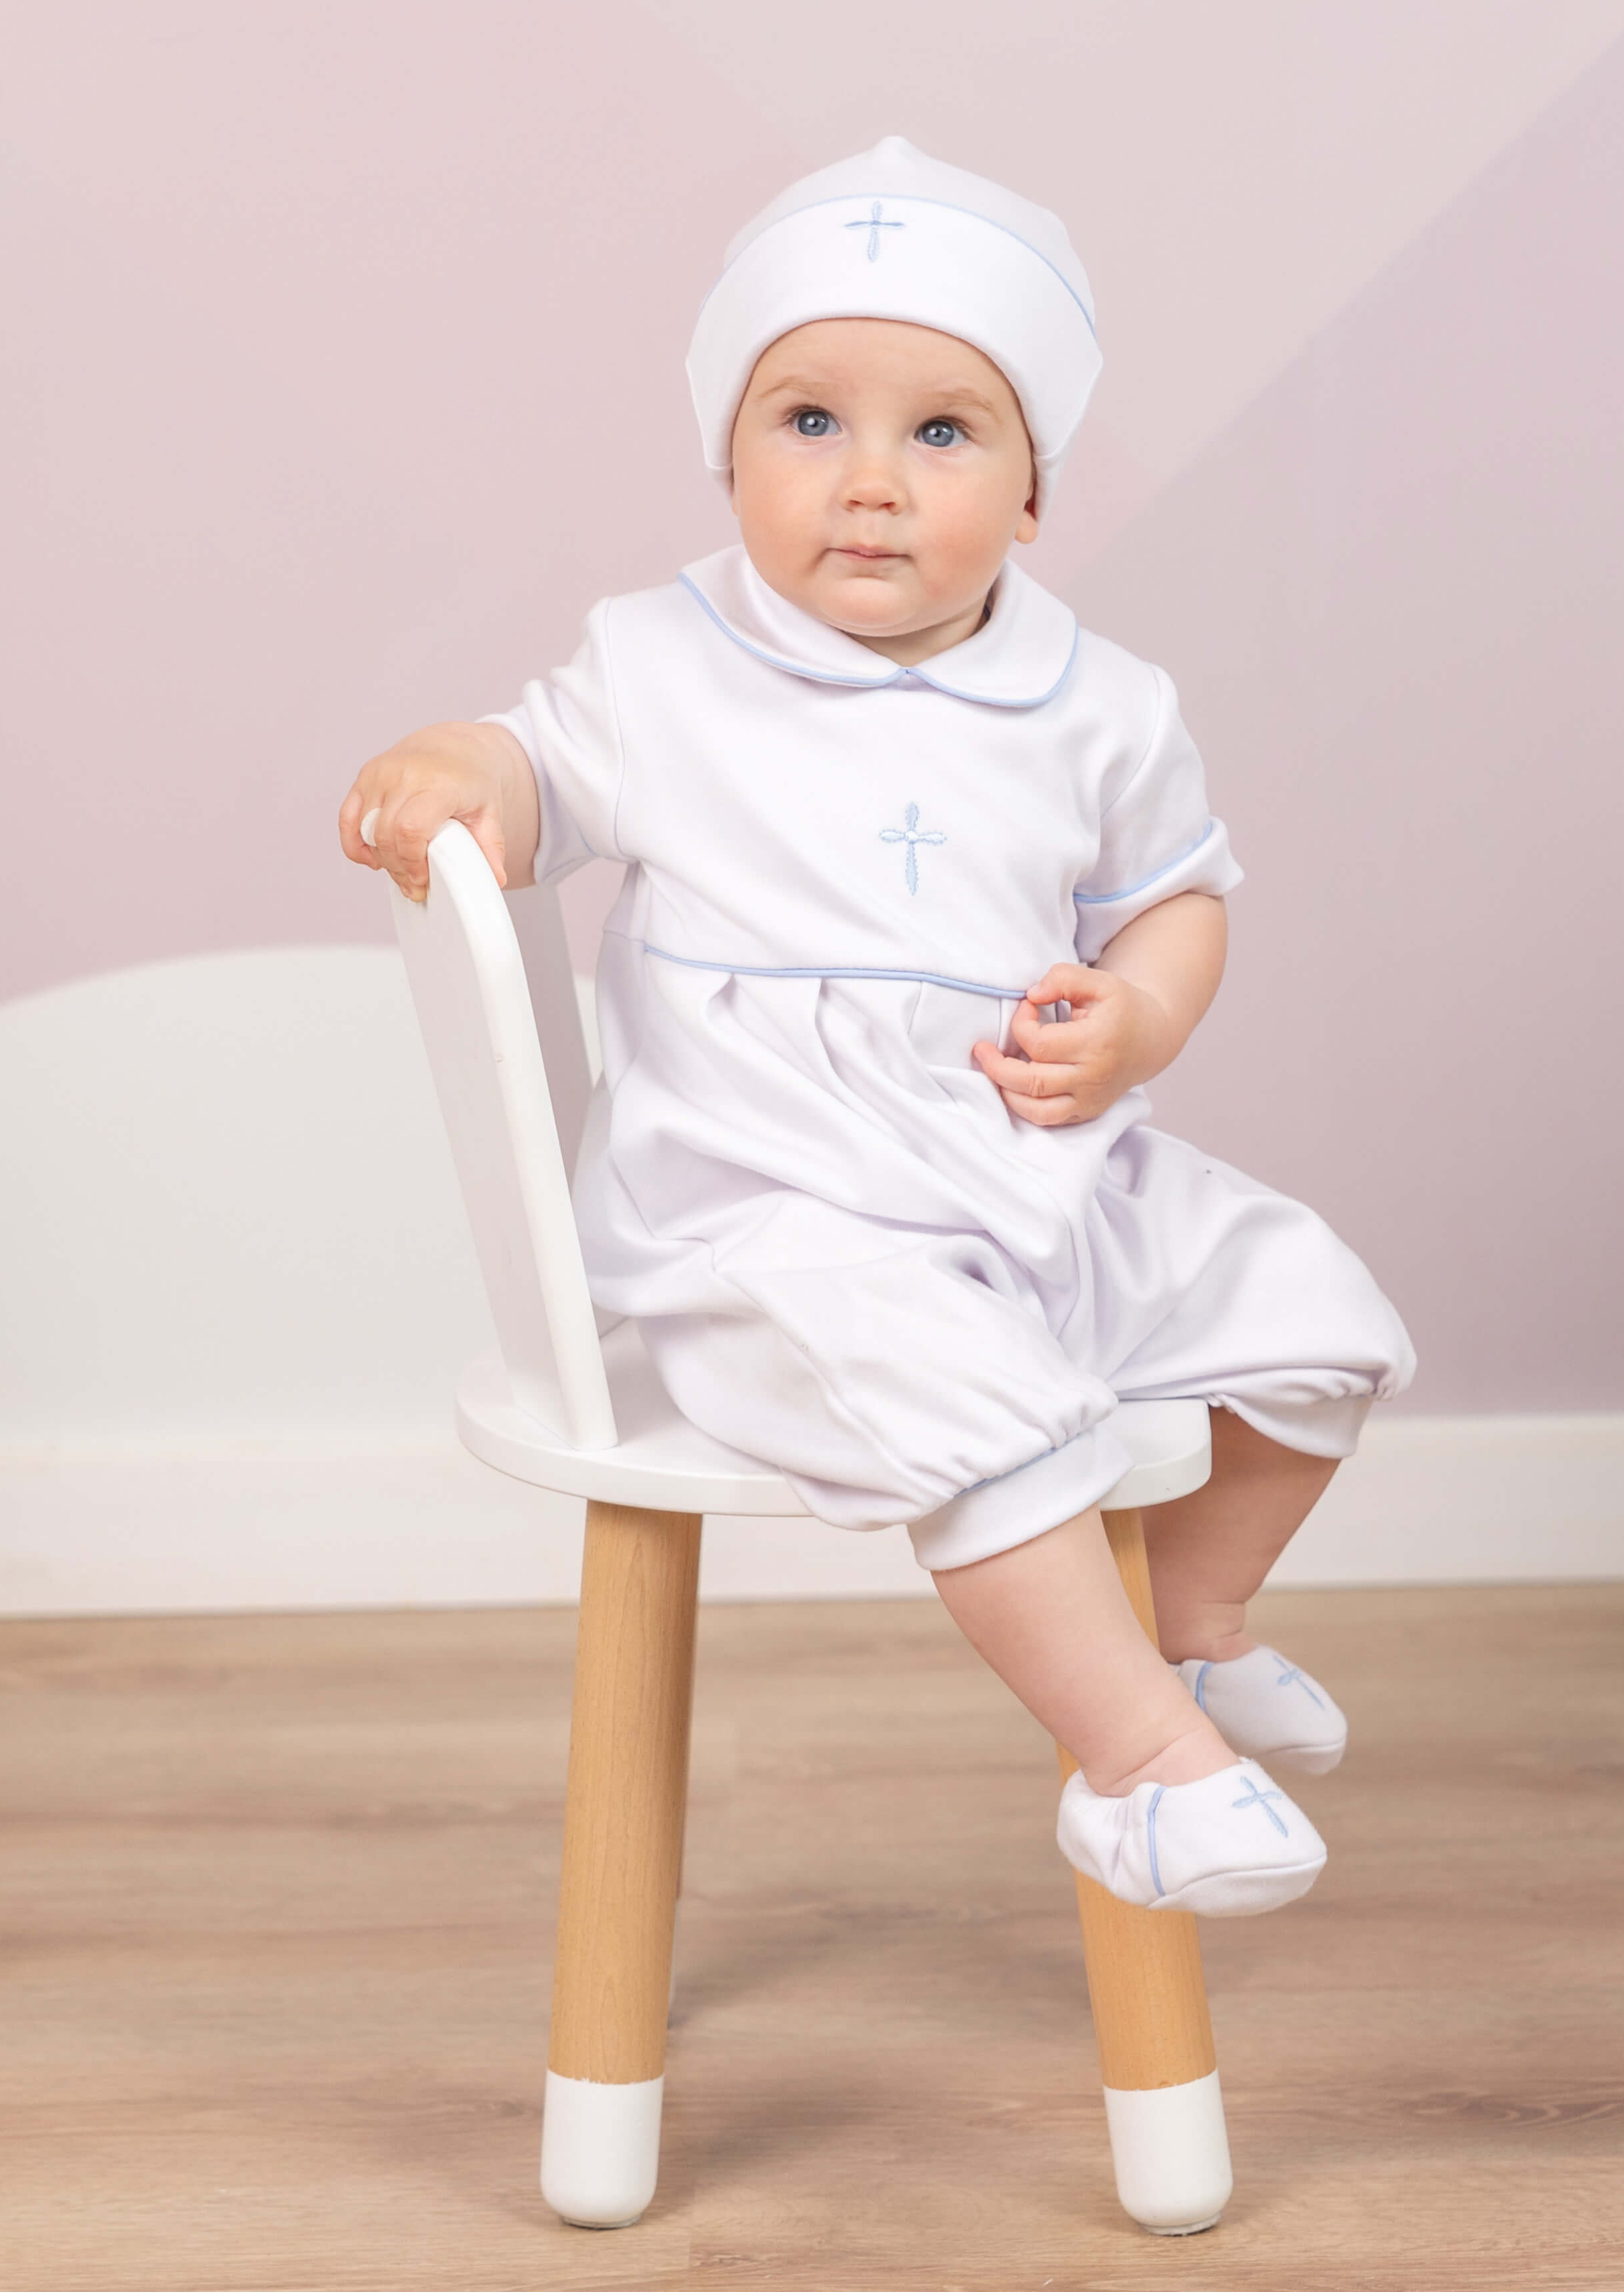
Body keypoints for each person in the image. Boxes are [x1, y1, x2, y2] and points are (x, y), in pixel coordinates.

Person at [343, 139, 1413, 1917]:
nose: (867, 483)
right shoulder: (664, 666)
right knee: (972, 1408)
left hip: (1036, 1176)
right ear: (728, 454)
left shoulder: (1098, 703)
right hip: (776, 1221)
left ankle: (1195, 1626)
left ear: (1032, 489)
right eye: (807, 420)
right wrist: (472, 766)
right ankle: (1138, 1761)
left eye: (940, 432)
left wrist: (1135, 1014)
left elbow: (1177, 898)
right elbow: (536, 781)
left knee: (1313, 1318)